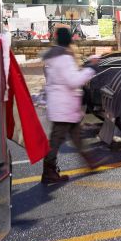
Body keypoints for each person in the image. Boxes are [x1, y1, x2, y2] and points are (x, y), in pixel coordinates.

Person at [40, 26, 100, 185]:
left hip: (63, 105)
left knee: (76, 135)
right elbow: (73, 81)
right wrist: (91, 69)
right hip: (64, 106)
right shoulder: (63, 58)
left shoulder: (54, 56)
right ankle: (48, 172)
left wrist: (86, 67)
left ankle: (90, 162)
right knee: (56, 141)